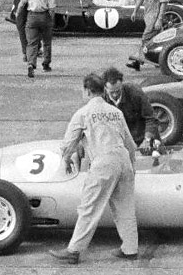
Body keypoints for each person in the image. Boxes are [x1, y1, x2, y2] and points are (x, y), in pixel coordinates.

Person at [49, 74, 138, 264]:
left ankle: (74, 250)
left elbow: (67, 144)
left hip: (104, 162)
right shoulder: (116, 112)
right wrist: (132, 166)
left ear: (87, 90)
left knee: (89, 208)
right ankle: (130, 249)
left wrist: (66, 158)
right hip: (124, 160)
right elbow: (131, 144)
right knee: (125, 208)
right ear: (103, 90)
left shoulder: (83, 113)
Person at [102, 67, 158, 152]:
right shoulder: (101, 100)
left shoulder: (135, 93)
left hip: (141, 141)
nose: (114, 95)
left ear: (122, 84)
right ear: (105, 88)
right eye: (111, 92)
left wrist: (147, 139)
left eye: (117, 91)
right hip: (117, 144)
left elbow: (150, 118)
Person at [127, 0, 168, 71]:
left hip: (155, 15)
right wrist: (135, 11)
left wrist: (159, 19)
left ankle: (138, 61)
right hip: (147, 14)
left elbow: (163, 3)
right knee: (156, 39)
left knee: (146, 38)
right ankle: (160, 61)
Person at [17, 0, 55, 77]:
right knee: (47, 42)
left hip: (32, 16)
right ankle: (46, 64)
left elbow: (22, 2)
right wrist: (51, 19)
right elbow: (52, 8)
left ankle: (31, 63)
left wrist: (18, 13)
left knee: (32, 42)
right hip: (44, 16)